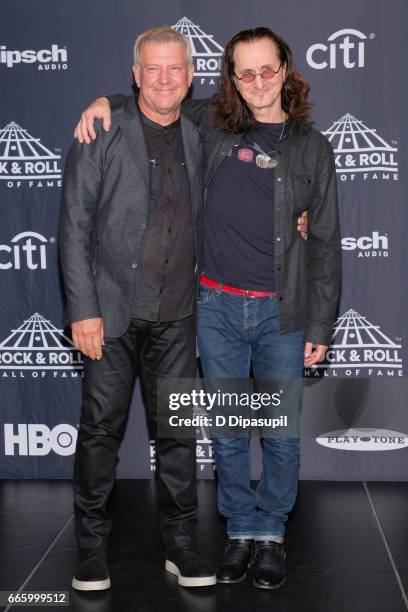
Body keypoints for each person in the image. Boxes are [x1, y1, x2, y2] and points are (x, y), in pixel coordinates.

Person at [74, 26, 338, 591]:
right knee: (225, 432)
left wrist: (321, 323)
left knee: (280, 434)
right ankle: (240, 528)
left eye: (268, 69)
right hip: (214, 306)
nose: (258, 82)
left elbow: (326, 242)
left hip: (280, 311)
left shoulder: (312, 147)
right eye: (246, 72)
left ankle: (270, 534)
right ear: (231, 80)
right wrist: (107, 100)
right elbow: (154, 97)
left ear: (285, 70)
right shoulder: (213, 125)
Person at [59, 26, 217, 591]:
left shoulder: (200, 131)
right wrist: (83, 309)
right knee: (100, 430)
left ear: (191, 75)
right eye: (154, 68)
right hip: (110, 311)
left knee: (178, 434)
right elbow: (74, 227)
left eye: (176, 68)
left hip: (177, 312)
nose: (166, 78)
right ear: (136, 74)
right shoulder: (102, 129)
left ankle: (180, 545)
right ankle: (91, 549)